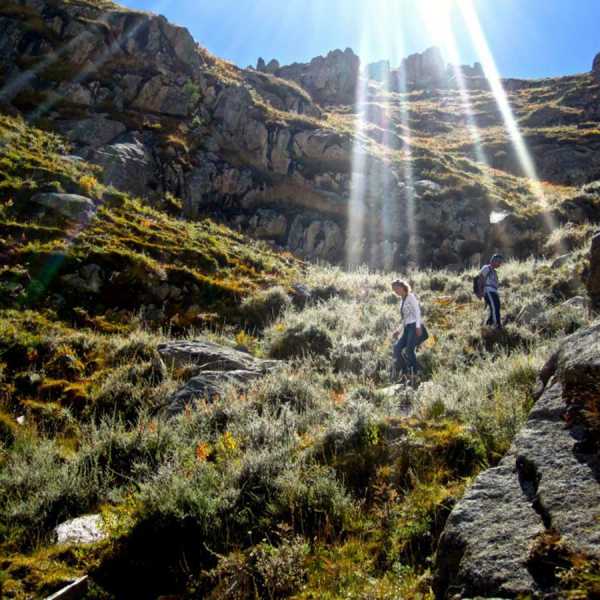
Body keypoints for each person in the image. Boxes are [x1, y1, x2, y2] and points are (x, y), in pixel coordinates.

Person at [391, 279, 427, 380]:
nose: (395, 291)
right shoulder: (402, 301)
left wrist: (418, 326)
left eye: (396, 288)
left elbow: (417, 311)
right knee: (397, 348)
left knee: (409, 351)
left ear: (402, 287)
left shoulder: (410, 297)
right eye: (394, 290)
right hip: (407, 328)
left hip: (414, 326)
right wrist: (398, 330)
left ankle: (417, 372)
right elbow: (404, 319)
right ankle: (406, 371)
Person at [478, 254, 504, 329]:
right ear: (493, 261)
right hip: (489, 290)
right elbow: (481, 278)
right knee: (495, 307)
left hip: (494, 292)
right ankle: (497, 325)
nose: (499, 264)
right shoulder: (487, 268)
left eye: (500, 262)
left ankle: (488, 324)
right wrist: (480, 292)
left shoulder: (495, 272)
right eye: (498, 262)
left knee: (496, 307)